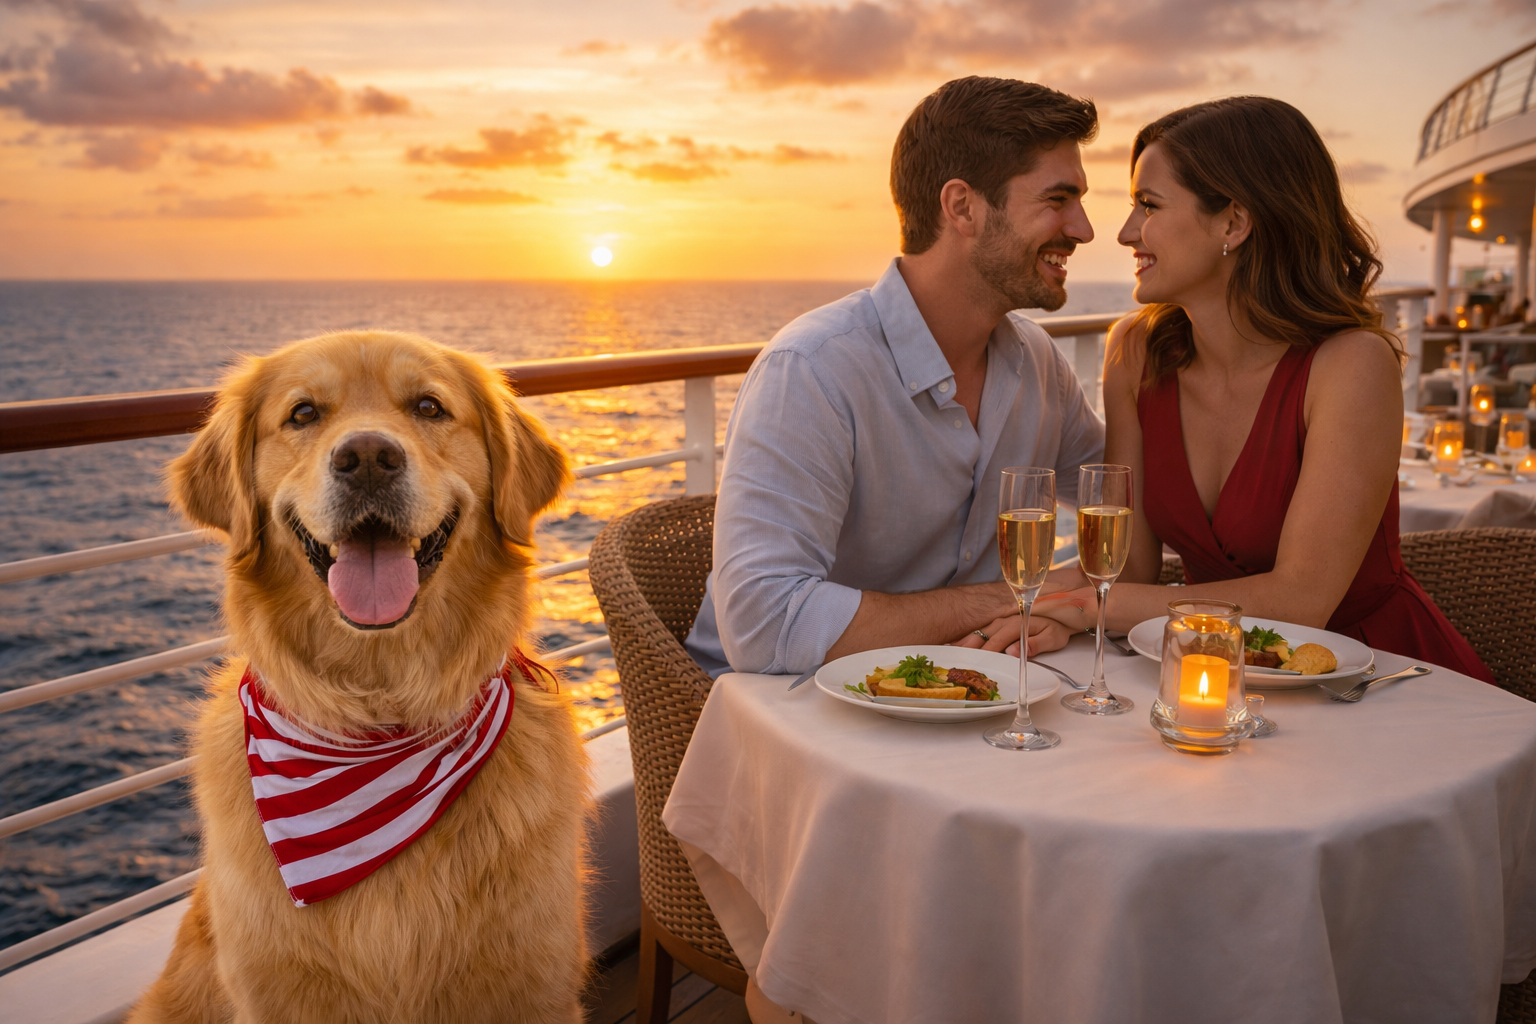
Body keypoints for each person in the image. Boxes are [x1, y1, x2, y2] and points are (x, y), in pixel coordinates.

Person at [1025, 96, 1492, 682]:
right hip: (1209, 677)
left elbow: (1302, 602)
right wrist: (1039, 611)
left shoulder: (1350, 365)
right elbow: (1129, 569)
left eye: (1148, 204)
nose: (1124, 232)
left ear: (1234, 223)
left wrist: (1085, 607)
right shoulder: (1134, 355)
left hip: (1375, 677)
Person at [684, 75, 1106, 683]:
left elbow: (1123, 503)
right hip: (784, 713)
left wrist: (1147, 361)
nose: (1084, 228)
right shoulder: (812, 370)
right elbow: (765, 625)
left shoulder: (1037, 362)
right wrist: (1004, 601)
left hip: (954, 694)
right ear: (962, 206)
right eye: (1058, 199)